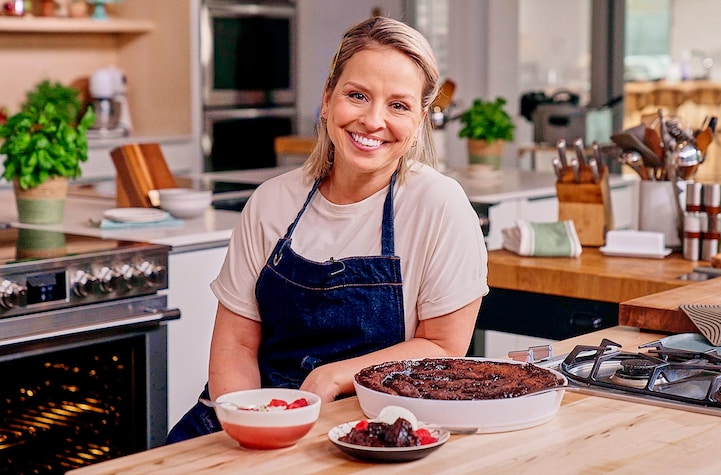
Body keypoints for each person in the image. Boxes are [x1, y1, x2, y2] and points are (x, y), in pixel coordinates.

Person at [166, 15, 488, 443]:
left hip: (368, 428)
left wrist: (332, 377)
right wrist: (250, 429)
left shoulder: (439, 206)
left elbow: (444, 349)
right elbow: (237, 345)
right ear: (327, 99)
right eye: (357, 95)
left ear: (420, 120)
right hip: (247, 416)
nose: (373, 121)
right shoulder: (272, 201)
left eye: (398, 105)